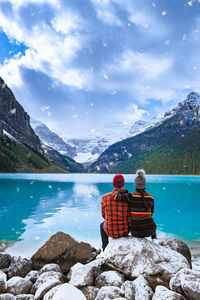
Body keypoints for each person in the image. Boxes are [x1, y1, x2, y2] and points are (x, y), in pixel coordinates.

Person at [114, 169, 157, 239]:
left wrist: (124, 191)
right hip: (150, 230)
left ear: (135, 185)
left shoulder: (130, 196)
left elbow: (115, 197)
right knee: (151, 223)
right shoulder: (150, 197)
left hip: (136, 232)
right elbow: (151, 214)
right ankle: (154, 239)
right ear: (145, 185)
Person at [100, 174, 131, 251]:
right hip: (125, 231)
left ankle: (105, 248)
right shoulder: (128, 197)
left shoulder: (105, 197)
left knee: (101, 225)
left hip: (110, 231)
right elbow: (130, 215)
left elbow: (104, 215)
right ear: (123, 184)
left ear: (113, 184)